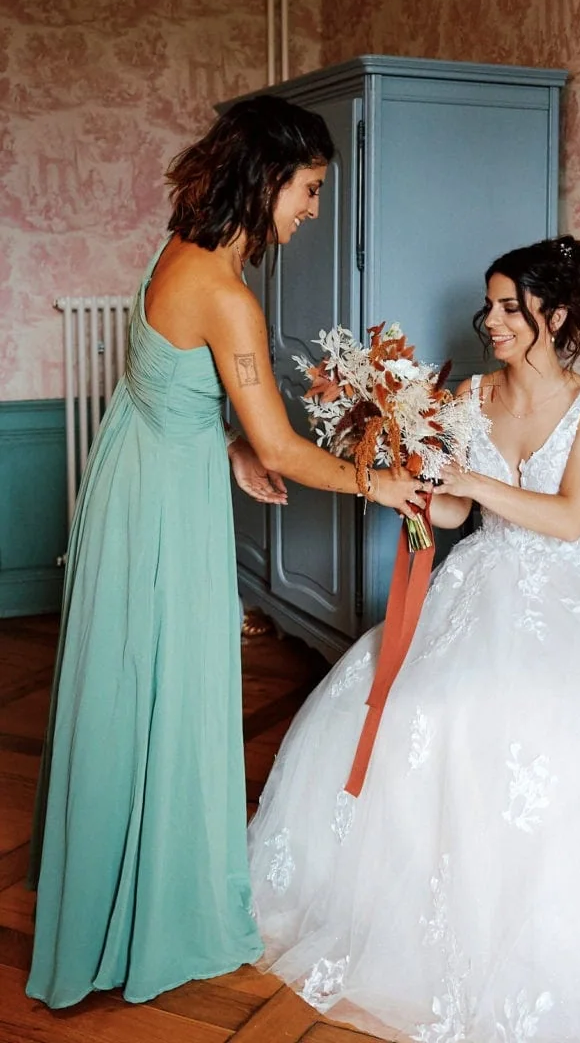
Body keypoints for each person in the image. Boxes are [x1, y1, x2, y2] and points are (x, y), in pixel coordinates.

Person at [246, 236, 580, 1042]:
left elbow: (568, 519)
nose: (488, 320)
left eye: (508, 307)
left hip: (577, 593)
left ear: (554, 317)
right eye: (488, 305)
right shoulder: (466, 401)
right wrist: (410, 488)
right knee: (427, 714)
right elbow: (455, 515)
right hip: (480, 581)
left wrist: (471, 482)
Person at [26, 95, 426, 1010]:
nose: (314, 210)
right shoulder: (230, 297)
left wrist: (227, 446)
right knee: (171, 678)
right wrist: (381, 485)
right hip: (163, 507)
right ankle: (155, 906)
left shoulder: (179, 250)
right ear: (269, 178)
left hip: (136, 475)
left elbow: (169, 384)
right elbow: (285, 445)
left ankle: (110, 877)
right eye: (311, 189)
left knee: (130, 679)